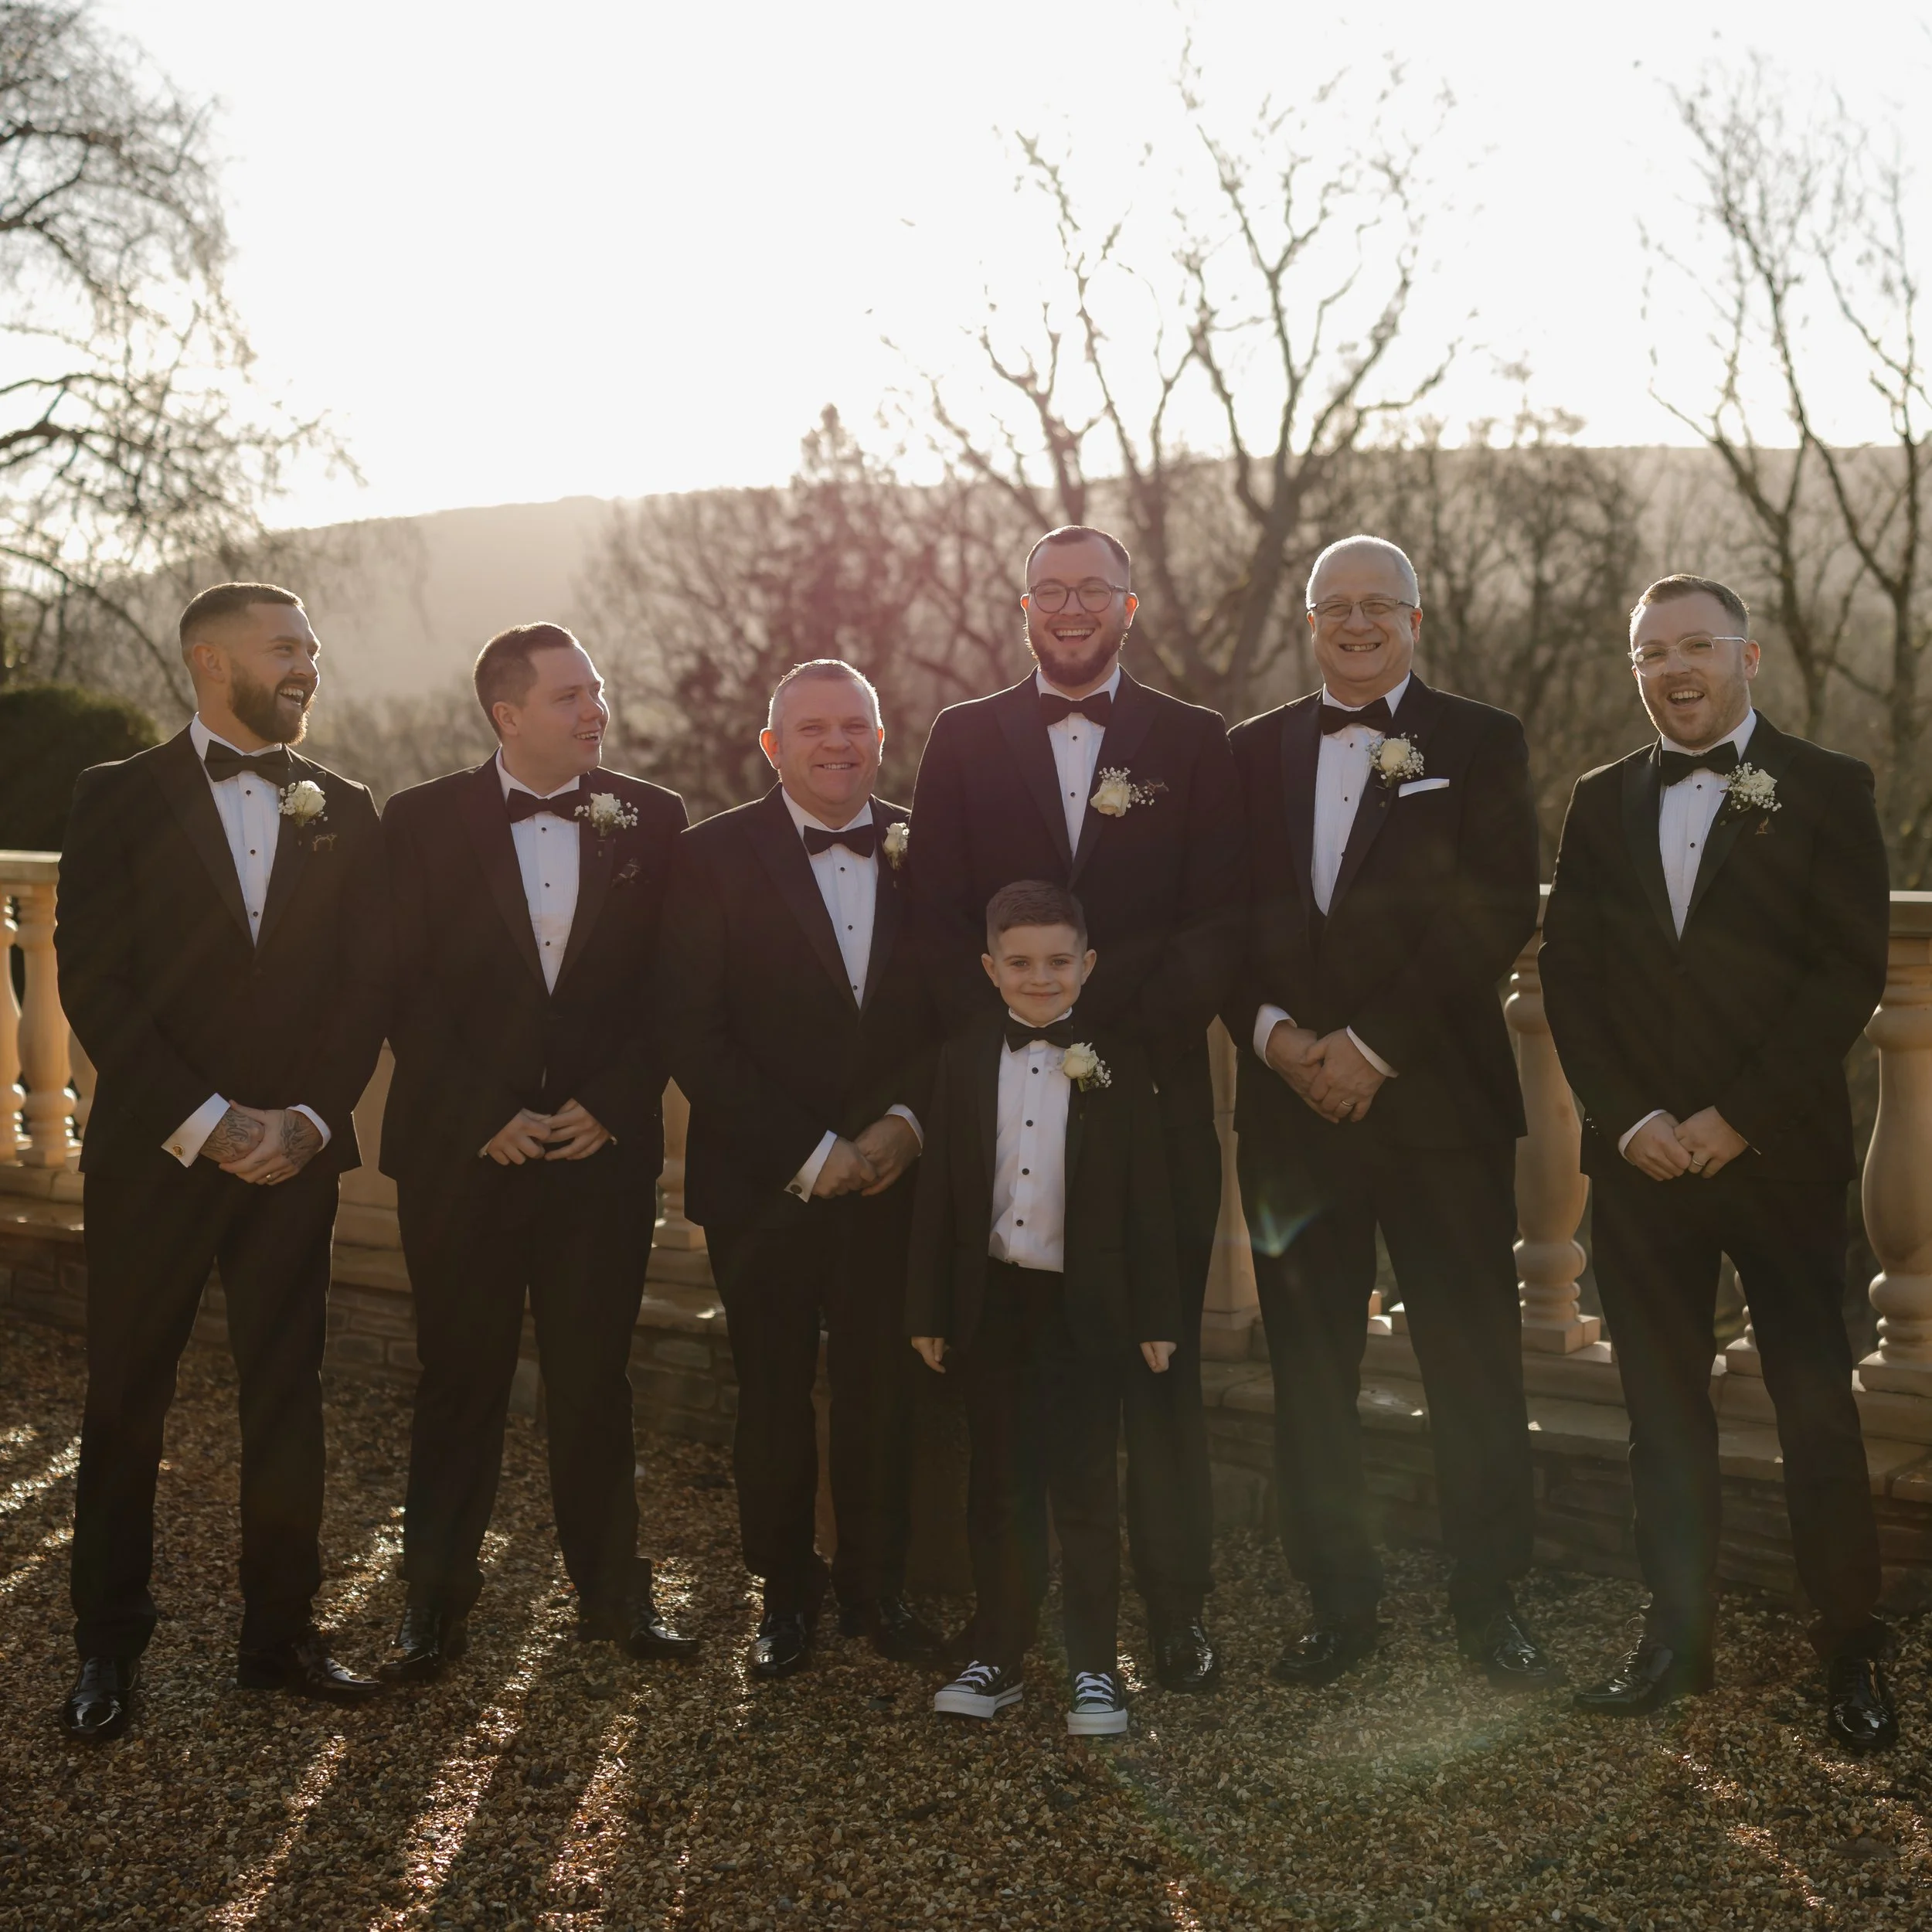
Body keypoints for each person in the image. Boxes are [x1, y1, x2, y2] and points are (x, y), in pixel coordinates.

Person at [1541, 573, 1898, 1750]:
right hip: (1642, 1163)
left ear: (1748, 658)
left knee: (1815, 1407)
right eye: (1652, 653)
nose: (1675, 669)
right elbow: (1571, 976)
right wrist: (1628, 1118)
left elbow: (1845, 973)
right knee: (1661, 1413)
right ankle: (1674, 1638)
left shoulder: (1830, 787)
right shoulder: (1598, 799)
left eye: (1696, 645)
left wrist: (1736, 1117)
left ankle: (1850, 1643)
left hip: (1778, 1153)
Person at [54, 583, 389, 1741]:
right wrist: (207, 1120)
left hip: (294, 1159)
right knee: (125, 1399)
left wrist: (308, 1120)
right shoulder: (115, 795)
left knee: (288, 1397)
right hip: (158, 1154)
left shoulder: (346, 806)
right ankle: (106, 1646)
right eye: (284, 646)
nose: (306, 665)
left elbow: (367, 985)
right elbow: (94, 980)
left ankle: (281, 1634)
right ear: (209, 660)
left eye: (312, 648)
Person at [909, 526, 1241, 1693]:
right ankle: (1010, 1623)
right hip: (998, 1097)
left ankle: (1176, 1613)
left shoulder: (1193, 741)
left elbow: (1219, 917)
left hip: (1149, 1097)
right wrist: (1017, 1028)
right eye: (1049, 589)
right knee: (1004, 1385)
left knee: (1158, 1361)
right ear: (1022, 607)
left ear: (1129, 606)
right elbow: (932, 914)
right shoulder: (962, 737)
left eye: (1092, 589)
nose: (1069, 607)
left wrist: (1104, 1032)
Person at [1227, 534, 1553, 1690]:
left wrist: (1370, 1049)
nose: (1357, 624)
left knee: (1472, 1357)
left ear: (1416, 620)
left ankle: (1488, 1595)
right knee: (1309, 1365)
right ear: (1310, 623)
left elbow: (1495, 906)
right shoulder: (1249, 751)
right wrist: (1278, 1040)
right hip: (1290, 1114)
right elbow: (1214, 916)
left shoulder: (1481, 740)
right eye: (1336, 606)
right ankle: (1338, 1599)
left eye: (1380, 605)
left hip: (1439, 1106)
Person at [379, 623, 694, 1679]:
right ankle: (433, 1604)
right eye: (569, 697)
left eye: (596, 690)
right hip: (461, 1155)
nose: (594, 710)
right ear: (507, 715)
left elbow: (676, 984)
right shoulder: (419, 820)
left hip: (598, 1157)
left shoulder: (654, 817)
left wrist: (613, 1102)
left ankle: (613, 1597)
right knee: (457, 1382)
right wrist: (482, 1110)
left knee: (595, 1382)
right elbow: (399, 985)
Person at [659, 659, 940, 1679]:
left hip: (896, 1179)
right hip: (764, 1184)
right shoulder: (707, 856)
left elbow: (957, 1009)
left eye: (854, 725)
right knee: (771, 1395)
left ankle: (878, 1585)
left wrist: (907, 1123)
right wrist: (811, 1154)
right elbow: (692, 1029)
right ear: (773, 747)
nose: (836, 743)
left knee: (883, 1391)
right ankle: (784, 1592)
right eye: (812, 728)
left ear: (881, 738)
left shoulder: (929, 845)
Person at [910, 881, 1180, 1736]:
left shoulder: (1120, 1062)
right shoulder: (960, 1058)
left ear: (1087, 964)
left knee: (1086, 1488)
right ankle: (998, 1653)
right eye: (1020, 963)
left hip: (1084, 1306)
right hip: (991, 1302)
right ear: (990, 967)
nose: (1040, 978)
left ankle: (1095, 1665)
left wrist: (1157, 1314)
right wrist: (928, 1307)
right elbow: (939, 1192)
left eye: (1058, 962)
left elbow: (1149, 1195)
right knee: (998, 1486)